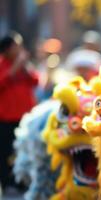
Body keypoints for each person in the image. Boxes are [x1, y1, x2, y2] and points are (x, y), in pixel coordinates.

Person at [0, 33, 38, 190]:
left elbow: (35, 81)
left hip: (25, 118)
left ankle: (23, 181)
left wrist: (25, 66)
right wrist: (16, 66)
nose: (20, 49)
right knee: (6, 151)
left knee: (25, 151)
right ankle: (7, 181)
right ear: (7, 49)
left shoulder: (24, 66)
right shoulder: (3, 64)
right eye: (16, 46)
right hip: (6, 117)